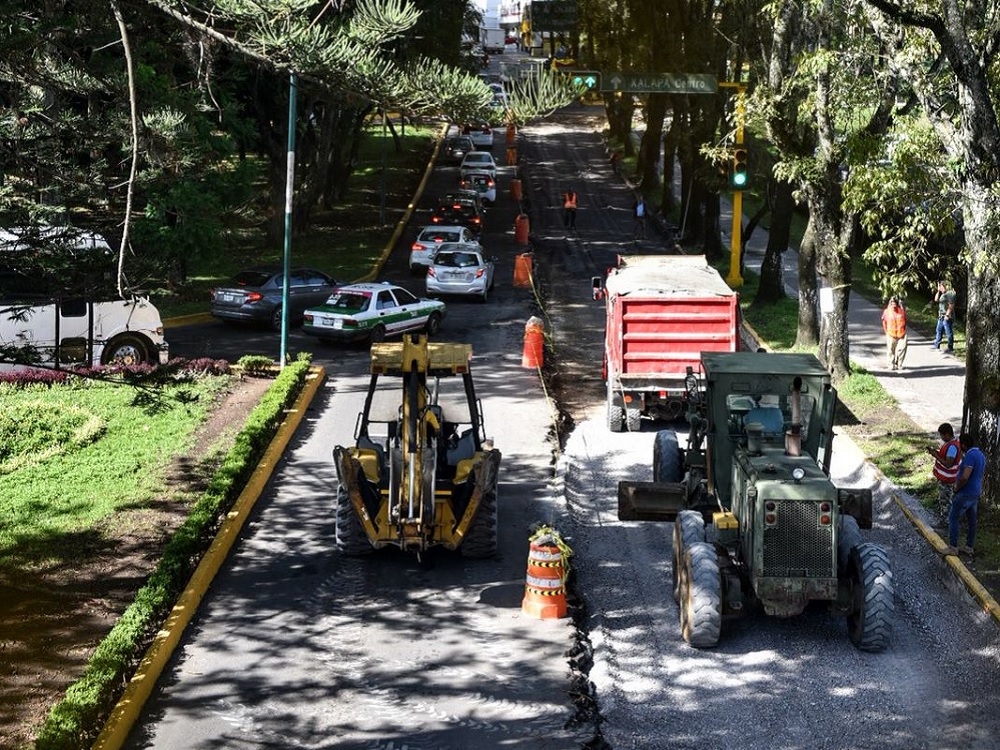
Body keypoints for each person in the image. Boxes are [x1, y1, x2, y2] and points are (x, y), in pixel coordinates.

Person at [943, 432, 986, 557]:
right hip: (975, 493)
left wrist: (956, 488)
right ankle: (969, 546)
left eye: (960, 446)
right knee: (972, 520)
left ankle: (953, 547)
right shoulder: (980, 455)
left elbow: (965, 477)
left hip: (966, 493)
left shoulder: (970, 456)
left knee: (953, 518)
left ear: (963, 445)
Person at [927, 422, 961, 522]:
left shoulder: (952, 447)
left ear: (947, 434)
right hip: (946, 478)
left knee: (945, 501)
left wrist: (935, 455)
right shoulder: (951, 444)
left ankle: (946, 522)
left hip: (947, 479)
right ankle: (947, 520)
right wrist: (936, 452)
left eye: (942, 435)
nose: (941, 437)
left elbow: (948, 464)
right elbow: (945, 457)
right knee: (945, 500)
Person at [880, 296, 907, 370]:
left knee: (902, 349)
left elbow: (905, 320)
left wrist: (904, 330)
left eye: (895, 302)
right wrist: (886, 331)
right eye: (892, 302)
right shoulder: (887, 311)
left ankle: (899, 364)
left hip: (901, 334)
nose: (893, 304)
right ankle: (891, 364)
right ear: (890, 303)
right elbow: (884, 321)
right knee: (890, 350)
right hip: (891, 333)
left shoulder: (901, 311)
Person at [933, 279, 956, 353]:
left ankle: (950, 348)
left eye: (941, 286)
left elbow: (951, 305)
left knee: (948, 332)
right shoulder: (942, 294)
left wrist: (947, 315)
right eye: (939, 286)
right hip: (941, 316)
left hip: (947, 316)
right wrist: (938, 291)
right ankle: (937, 346)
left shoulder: (950, 293)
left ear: (945, 286)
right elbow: (936, 299)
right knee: (939, 330)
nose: (940, 288)